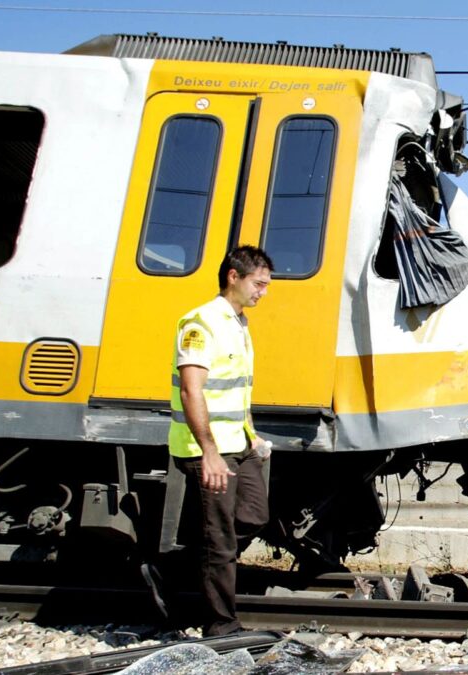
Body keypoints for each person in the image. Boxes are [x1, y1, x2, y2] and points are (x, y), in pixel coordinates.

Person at [168, 245, 273, 636]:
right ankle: (221, 626)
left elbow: (236, 390)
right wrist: (209, 453)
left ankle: (175, 571)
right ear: (234, 276)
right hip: (207, 449)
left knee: (253, 517)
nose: (263, 291)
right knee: (222, 540)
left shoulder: (239, 322)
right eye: (258, 283)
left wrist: (252, 435)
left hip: (238, 444)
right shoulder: (200, 323)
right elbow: (192, 392)